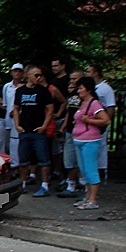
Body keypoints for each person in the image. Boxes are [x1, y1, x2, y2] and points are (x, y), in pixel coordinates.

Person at [12, 65, 54, 197]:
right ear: (28, 76)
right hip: (24, 130)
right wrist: (17, 124)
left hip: (38, 131)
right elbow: (16, 108)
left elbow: (50, 110)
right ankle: (22, 184)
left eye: (40, 75)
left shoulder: (43, 91)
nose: (39, 78)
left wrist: (44, 126)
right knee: (23, 159)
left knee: (43, 159)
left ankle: (45, 185)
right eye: (36, 75)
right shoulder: (20, 91)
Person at [72, 76, 110, 210]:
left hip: (90, 140)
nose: (78, 91)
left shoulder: (94, 103)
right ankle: (87, 197)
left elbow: (106, 120)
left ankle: (93, 200)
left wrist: (89, 121)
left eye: (81, 88)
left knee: (90, 169)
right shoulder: (83, 103)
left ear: (88, 89)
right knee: (84, 170)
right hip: (79, 139)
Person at [85, 63, 116, 184]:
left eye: (89, 72)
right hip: (89, 124)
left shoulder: (105, 89)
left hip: (100, 123)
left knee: (101, 147)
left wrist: (105, 121)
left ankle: (102, 171)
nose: (87, 74)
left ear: (95, 73)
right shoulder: (90, 89)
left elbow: (110, 106)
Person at [56, 70, 84, 198]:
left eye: (75, 79)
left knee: (82, 161)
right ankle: (70, 185)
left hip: (82, 133)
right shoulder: (72, 94)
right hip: (70, 131)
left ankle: (84, 186)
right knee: (69, 160)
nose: (72, 81)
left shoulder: (88, 96)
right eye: (71, 78)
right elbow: (69, 112)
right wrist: (63, 127)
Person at [0, 63, 25, 163]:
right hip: (8, 119)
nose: (17, 73)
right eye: (15, 71)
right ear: (11, 72)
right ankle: (12, 162)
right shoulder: (7, 86)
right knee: (10, 142)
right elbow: (5, 103)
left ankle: (19, 162)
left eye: (19, 71)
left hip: (20, 118)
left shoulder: (25, 86)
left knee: (18, 140)